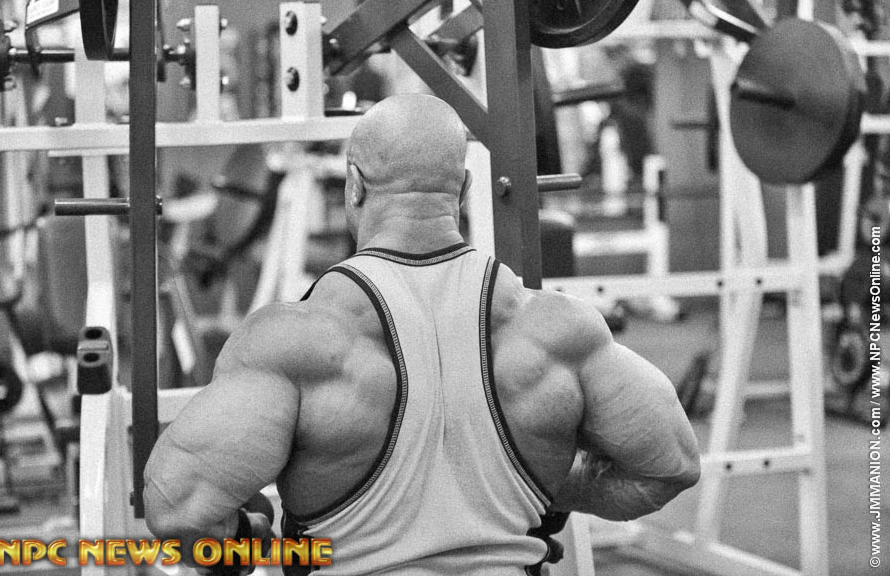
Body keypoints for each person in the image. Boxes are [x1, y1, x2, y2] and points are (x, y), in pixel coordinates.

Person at [144, 93, 701, 575]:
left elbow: (177, 510)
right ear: (463, 188)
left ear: (355, 186)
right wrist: (550, 485)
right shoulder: (558, 330)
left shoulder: (292, 343)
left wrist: (245, 542)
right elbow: (671, 465)